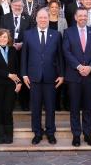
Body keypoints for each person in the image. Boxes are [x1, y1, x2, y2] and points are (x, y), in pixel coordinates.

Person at [20, 8, 65, 145]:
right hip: (34, 77)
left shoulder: (56, 35)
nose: (43, 20)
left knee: (50, 107)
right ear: (37, 19)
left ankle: (50, 133)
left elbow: (60, 57)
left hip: (51, 77)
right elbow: (24, 56)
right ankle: (37, 133)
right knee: (36, 107)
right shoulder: (28, 34)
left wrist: (62, 74)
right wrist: (24, 74)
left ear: (48, 18)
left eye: (45, 17)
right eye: (41, 17)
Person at [62, 8, 91, 147]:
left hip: (90, 76)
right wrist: (79, 67)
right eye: (80, 16)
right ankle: (76, 135)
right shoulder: (68, 32)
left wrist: (90, 67)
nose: (83, 18)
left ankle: (88, 134)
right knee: (74, 107)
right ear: (75, 17)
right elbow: (66, 52)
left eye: (85, 16)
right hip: (74, 76)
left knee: (88, 107)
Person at [0, 29, 22, 144]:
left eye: (5, 37)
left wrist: (19, 83)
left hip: (11, 86)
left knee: (8, 109)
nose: (3, 39)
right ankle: (0, 135)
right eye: (1, 37)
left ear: (9, 39)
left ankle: (9, 134)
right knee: (0, 109)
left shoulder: (12, 50)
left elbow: (17, 68)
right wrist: (8, 75)